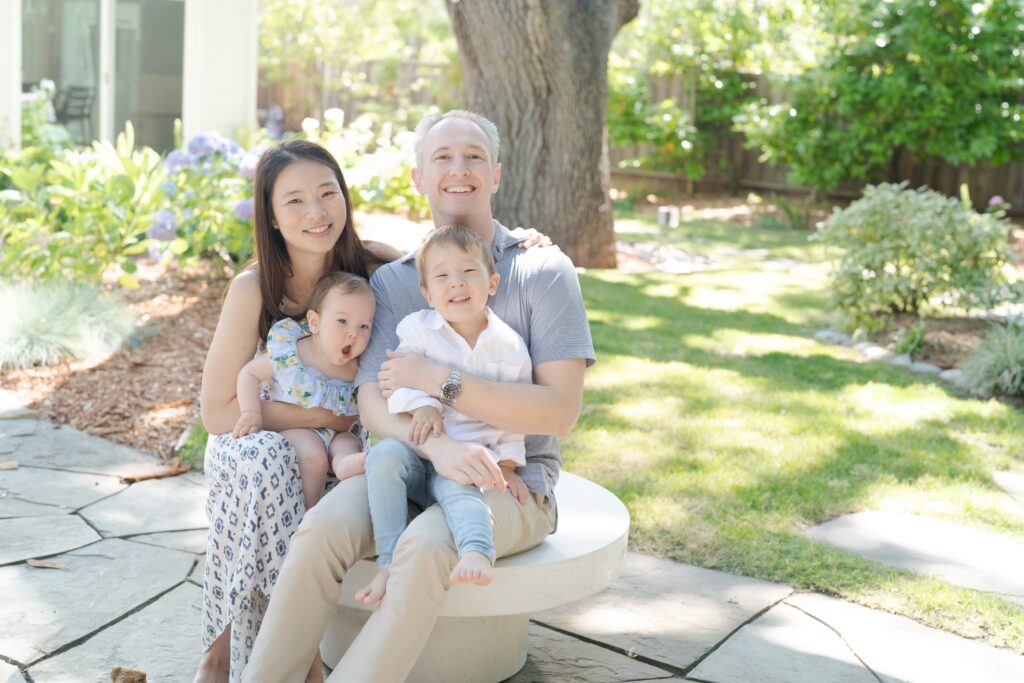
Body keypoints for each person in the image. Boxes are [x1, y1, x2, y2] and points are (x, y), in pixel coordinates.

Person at [244, 109, 595, 683]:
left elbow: (559, 411)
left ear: (498, 174)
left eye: (474, 156)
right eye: (442, 158)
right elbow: (372, 401)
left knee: (430, 544)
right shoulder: (398, 281)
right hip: (410, 465)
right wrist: (436, 450)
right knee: (320, 532)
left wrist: (439, 381)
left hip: (510, 479)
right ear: (418, 178)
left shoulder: (541, 270)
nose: (459, 169)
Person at [194, 138, 397, 683]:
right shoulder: (253, 287)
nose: (317, 212)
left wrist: (518, 245)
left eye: (328, 194)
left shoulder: (378, 268)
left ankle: (241, 659)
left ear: (345, 199)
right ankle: (280, 659)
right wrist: (322, 420)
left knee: (274, 478)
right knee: (265, 466)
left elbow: (456, 269)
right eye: (295, 201)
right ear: (273, 217)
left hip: (339, 449)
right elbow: (216, 414)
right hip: (250, 437)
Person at [355, 224, 533, 605]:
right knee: (384, 455)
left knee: (463, 489)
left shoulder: (509, 348)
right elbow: (396, 382)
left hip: (467, 454)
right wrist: (423, 405)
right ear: (427, 293)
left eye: (469, 272)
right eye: (442, 276)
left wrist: (507, 466)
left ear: (492, 282)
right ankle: (387, 560)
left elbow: (513, 415)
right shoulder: (417, 331)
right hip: (420, 452)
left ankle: (476, 550)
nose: (456, 283)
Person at [232, 271, 375, 510]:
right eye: (342, 321)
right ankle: (310, 512)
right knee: (314, 457)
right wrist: (251, 412)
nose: (353, 333)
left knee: (348, 444)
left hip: (335, 432)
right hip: (297, 428)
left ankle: (346, 464)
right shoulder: (294, 353)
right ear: (315, 323)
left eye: (364, 326)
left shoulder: (359, 367)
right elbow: (249, 373)